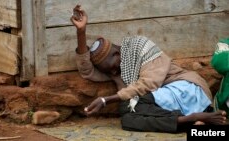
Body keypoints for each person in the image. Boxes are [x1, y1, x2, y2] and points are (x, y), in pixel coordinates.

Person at [70, 5, 227, 133]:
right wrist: (81, 32)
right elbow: (87, 71)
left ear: (117, 54)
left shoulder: (141, 46)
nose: (112, 73)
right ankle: (191, 120)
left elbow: (148, 84)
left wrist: (106, 100)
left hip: (188, 90)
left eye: (111, 68)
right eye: (108, 72)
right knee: (127, 119)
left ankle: (192, 118)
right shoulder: (116, 70)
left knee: (127, 104)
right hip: (167, 103)